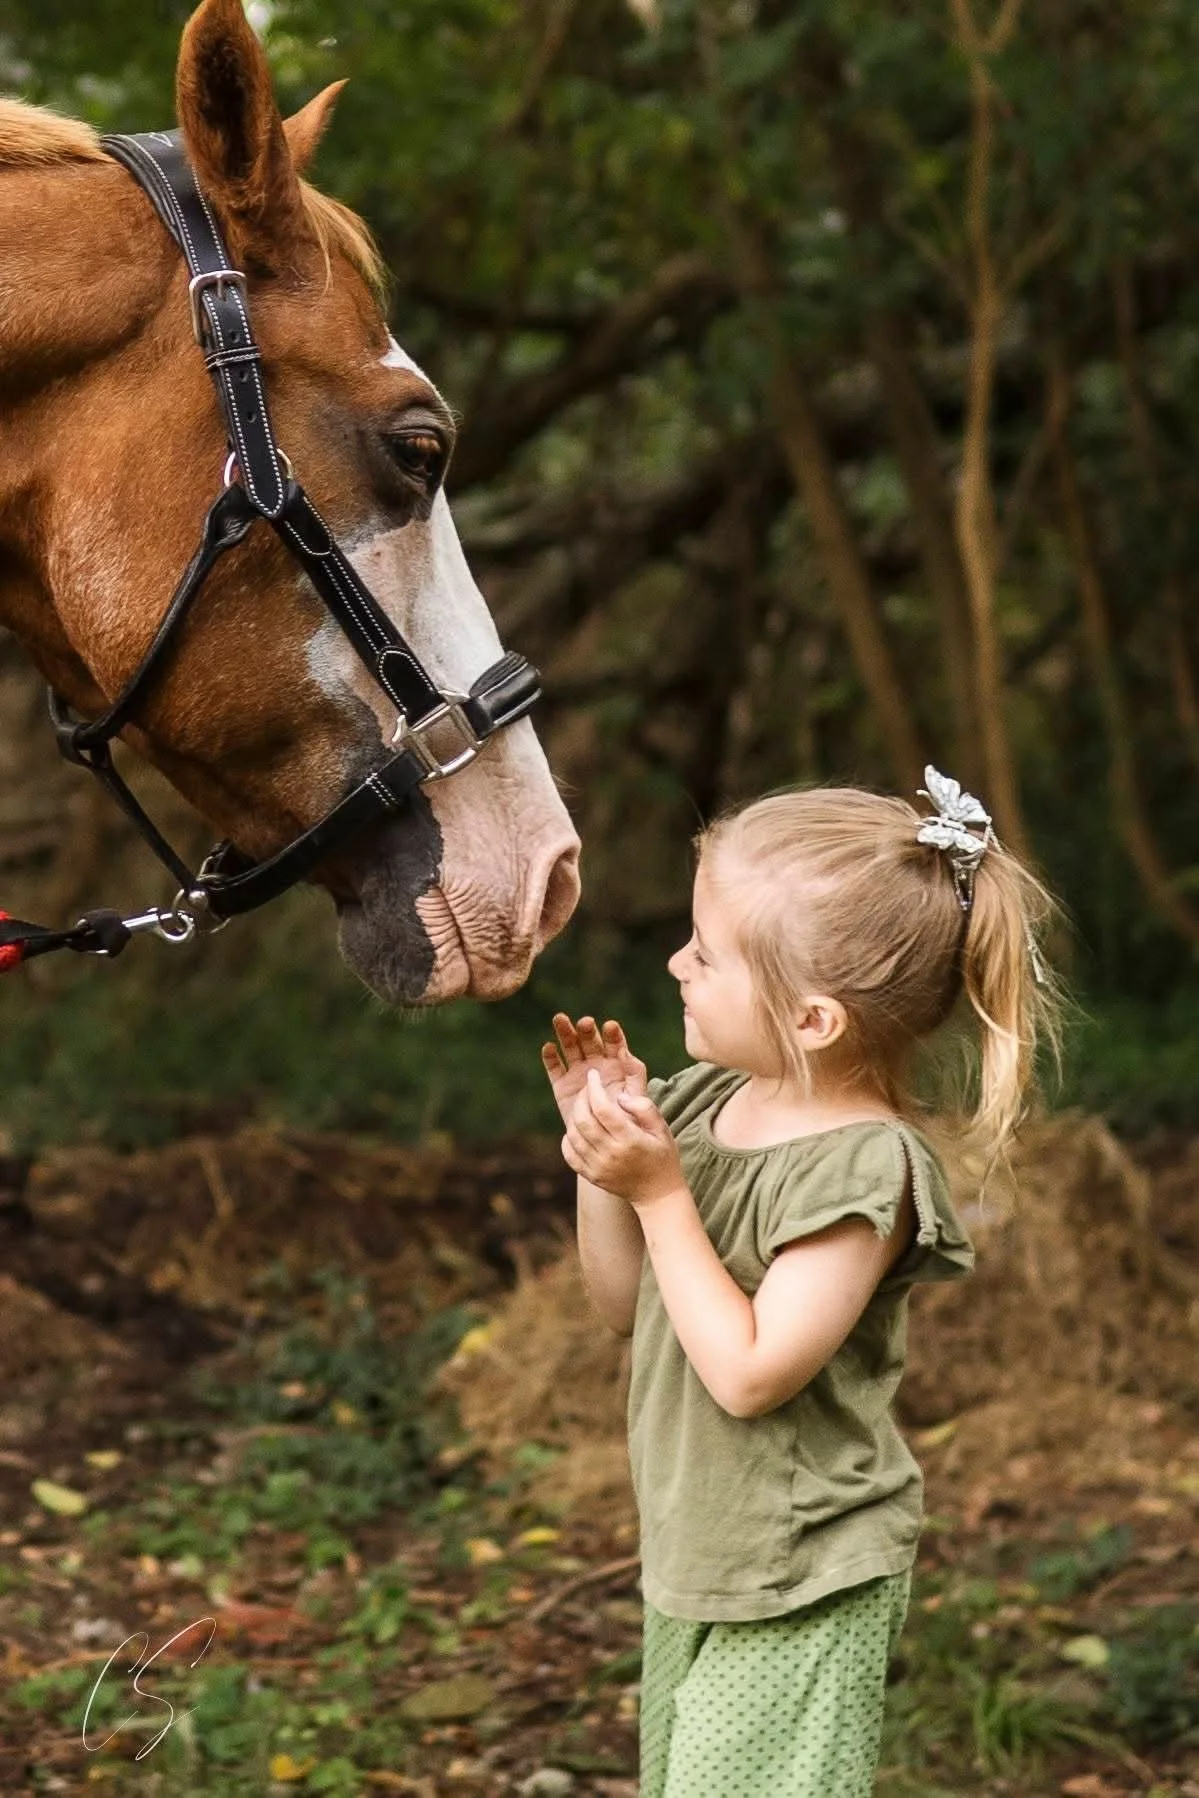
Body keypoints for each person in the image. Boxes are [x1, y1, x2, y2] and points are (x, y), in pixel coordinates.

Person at [540, 770, 1062, 1798]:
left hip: (802, 1570)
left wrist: (657, 1193)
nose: (673, 963)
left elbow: (747, 1373)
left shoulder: (864, 1167)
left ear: (813, 1018)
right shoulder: (699, 1104)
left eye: (706, 952)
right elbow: (623, 1307)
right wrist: (601, 1163)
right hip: (697, 1553)